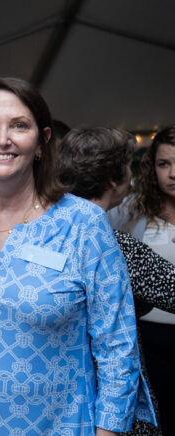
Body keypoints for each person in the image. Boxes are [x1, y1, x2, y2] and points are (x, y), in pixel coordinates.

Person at [0, 77, 153, 435]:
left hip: (57, 425)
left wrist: (109, 429)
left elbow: (117, 344)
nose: (3, 139)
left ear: (43, 141)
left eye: (19, 125)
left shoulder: (82, 225)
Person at [57, 127, 173, 436]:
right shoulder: (113, 243)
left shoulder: (45, 231)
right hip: (109, 403)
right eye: (126, 169)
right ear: (112, 179)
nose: (132, 179)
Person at [109, 125, 175, 435]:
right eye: (164, 164)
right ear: (152, 168)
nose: (173, 174)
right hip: (148, 340)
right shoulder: (130, 211)